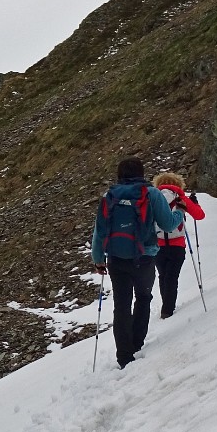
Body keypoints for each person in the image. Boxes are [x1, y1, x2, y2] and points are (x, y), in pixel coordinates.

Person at [91, 156, 180, 369]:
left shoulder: (109, 196)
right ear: (141, 173)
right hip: (144, 256)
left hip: (115, 258)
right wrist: (180, 213)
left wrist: (97, 259)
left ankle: (124, 355)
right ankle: (136, 344)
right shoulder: (151, 194)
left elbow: (99, 229)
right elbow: (167, 225)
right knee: (143, 297)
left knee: (121, 304)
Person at [153, 172, 206, 319]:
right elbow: (199, 215)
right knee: (172, 276)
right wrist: (194, 204)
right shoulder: (180, 198)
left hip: (158, 245)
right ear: (178, 184)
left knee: (163, 275)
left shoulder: (153, 199)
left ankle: (166, 306)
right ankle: (168, 310)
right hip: (177, 245)